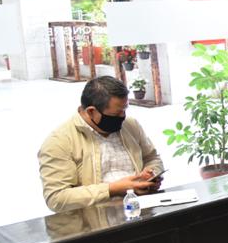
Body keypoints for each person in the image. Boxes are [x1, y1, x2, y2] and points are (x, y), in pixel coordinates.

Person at [39, 76, 164, 213]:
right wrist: (112, 189)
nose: (122, 116)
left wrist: (151, 174)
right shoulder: (59, 142)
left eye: (124, 110)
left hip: (139, 211)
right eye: (116, 113)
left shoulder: (130, 125)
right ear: (91, 112)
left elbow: (152, 157)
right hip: (92, 220)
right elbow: (57, 198)